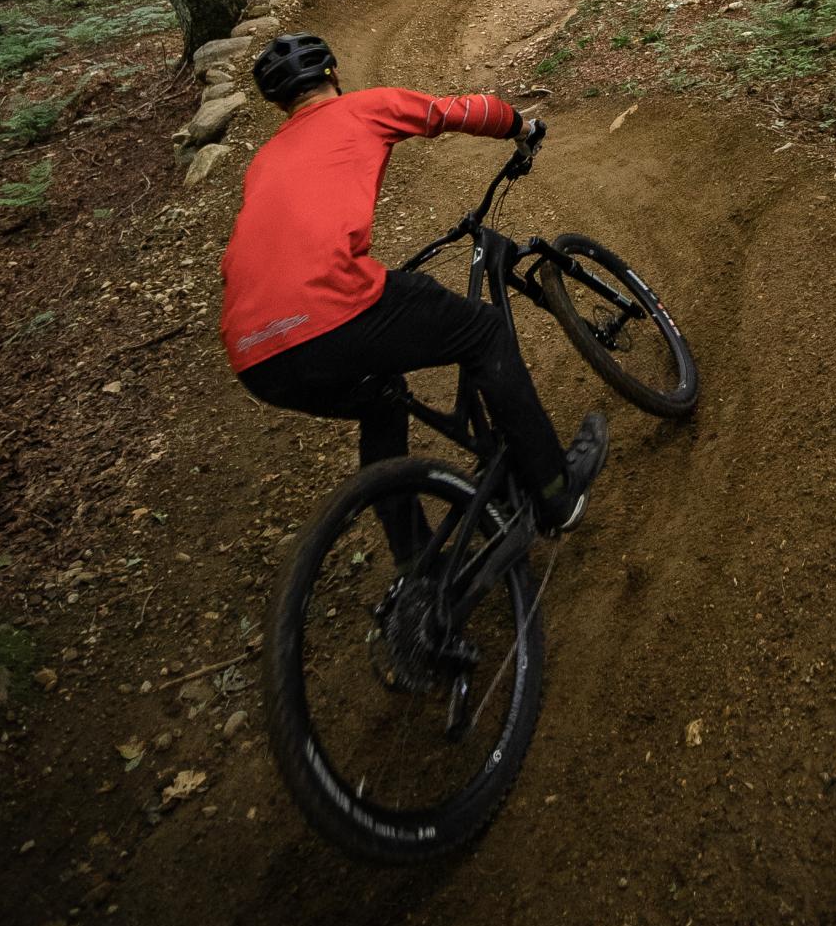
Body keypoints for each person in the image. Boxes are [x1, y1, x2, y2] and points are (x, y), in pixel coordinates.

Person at [219, 32, 608, 560]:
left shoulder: (263, 161)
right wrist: (521, 126)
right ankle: (554, 491)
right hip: (331, 303)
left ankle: (418, 567)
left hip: (255, 355)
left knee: (382, 401)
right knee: (485, 330)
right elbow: (461, 111)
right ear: (333, 74)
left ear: (280, 103)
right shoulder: (363, 108)